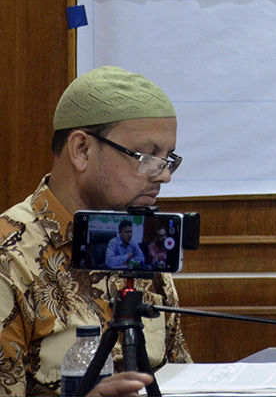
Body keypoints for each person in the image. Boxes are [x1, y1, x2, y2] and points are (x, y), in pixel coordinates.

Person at [0, 66, 191, 396]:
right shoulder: (10, 259)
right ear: (82, 150)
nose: (164, 175)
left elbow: (180, 378)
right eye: (147, 156)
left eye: (168, 158)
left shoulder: (144, 247)